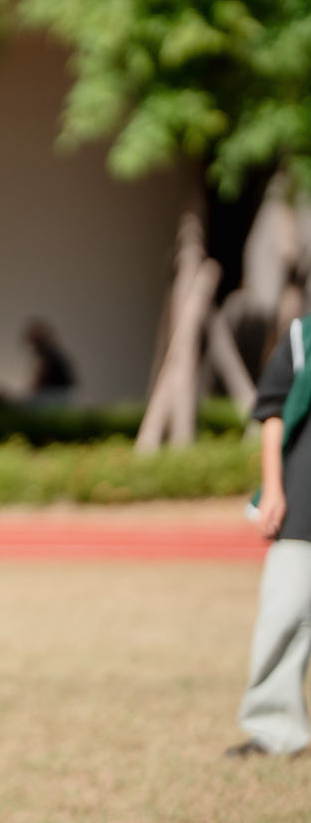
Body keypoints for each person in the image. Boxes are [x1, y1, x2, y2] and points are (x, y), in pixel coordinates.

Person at [226, 312, 311, 758]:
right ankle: (275, 730)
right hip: (304, 494)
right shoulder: (303, 334)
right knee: (287, 611)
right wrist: (274, 487)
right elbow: (273, 412)